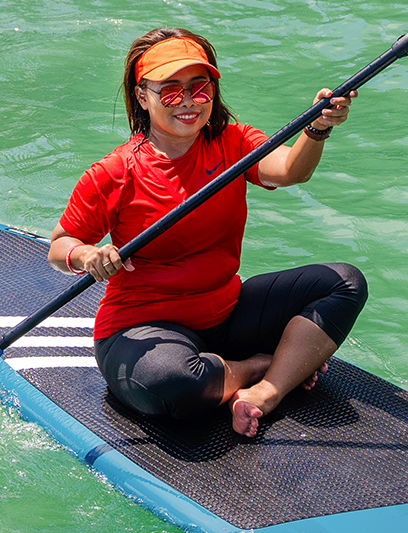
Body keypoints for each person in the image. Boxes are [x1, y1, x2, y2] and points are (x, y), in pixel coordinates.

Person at [48, 27, 367, 438]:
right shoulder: (114, 173)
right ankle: (257, 366)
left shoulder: (233, 142)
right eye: (169, 90)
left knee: (344, 283)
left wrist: (318, 127)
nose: (187, 102)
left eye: (199, 89)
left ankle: (264, 392)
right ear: (142, 97)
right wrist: (88, 255)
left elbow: (291, 170)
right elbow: (59, 246)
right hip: (143, 330)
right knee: (174, 385)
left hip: (227, 316)